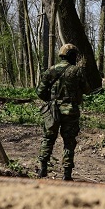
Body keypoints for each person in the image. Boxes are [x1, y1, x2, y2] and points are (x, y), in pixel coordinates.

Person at [36, 43, 92, 181]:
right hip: (70, 111)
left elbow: (40, 92)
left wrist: (51, 100)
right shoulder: (77, 71)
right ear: (72, 56)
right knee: (69, 141)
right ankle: (67, 174)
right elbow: (86, 89)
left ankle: (43, 168)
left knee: (48, 138)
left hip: (53, 111)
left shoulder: (51, 70)